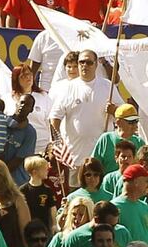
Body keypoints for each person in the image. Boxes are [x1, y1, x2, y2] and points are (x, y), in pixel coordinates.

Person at [50, 49, 120, 185]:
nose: (84, 65)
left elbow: (125, 113)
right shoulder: (68, 88)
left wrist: (114, 110)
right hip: (74, 156)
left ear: (96, 65)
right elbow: (54, 117)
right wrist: (57, 143)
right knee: (75, 196)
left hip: (102, 157)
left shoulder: (107, 86)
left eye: (88, 62)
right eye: (81, 62)